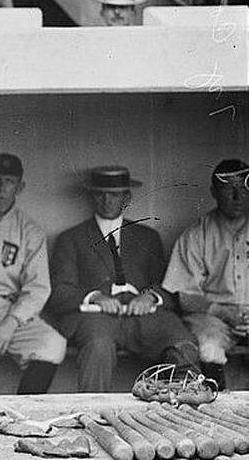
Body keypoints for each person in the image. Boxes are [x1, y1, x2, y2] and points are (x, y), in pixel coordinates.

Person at [45, 166, 199, 392]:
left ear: (127, 197)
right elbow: (59, 292)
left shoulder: (147, 237)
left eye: (115, 194)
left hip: (142, 318)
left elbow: (167, 287)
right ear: (92, 196)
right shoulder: (71, 238)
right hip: (96, 320)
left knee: (179, 338)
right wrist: (94, 297)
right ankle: (93, 413)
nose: (107, 200)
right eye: (100, 194)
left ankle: (180, 408)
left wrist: (149, 297)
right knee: (98, 346)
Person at [0, 153, 67, 394]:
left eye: (9, 181)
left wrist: (8, 326)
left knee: (52, 344)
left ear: (19, 186)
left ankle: (25, 410)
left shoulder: (30, 231)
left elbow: (38, 288)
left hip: (7, 311)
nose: (2, 188)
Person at [161, 159, 249, 390]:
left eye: (243, 188)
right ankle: (213, 407)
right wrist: (224, 312)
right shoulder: (197, 235)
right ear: (213, 193)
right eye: (227, 189)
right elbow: (185, 296)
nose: (237, 197)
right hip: (213, 318)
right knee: (208, 346)